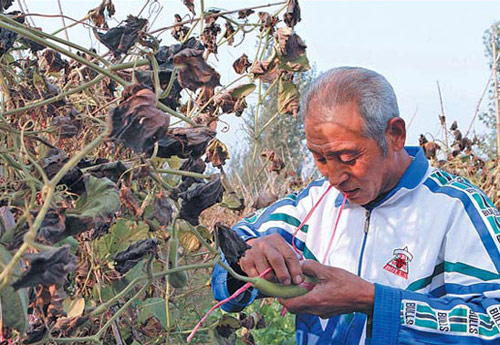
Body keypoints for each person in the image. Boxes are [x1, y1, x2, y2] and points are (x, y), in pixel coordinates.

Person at [211, 67, 500, 344]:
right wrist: (247, 258)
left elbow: (493, 324)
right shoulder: (317, 202)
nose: (335, 177)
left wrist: (372, 301)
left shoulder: (457, 209)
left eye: (349, 158)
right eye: (320, 159)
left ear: (395, 135)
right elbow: (236, 247)